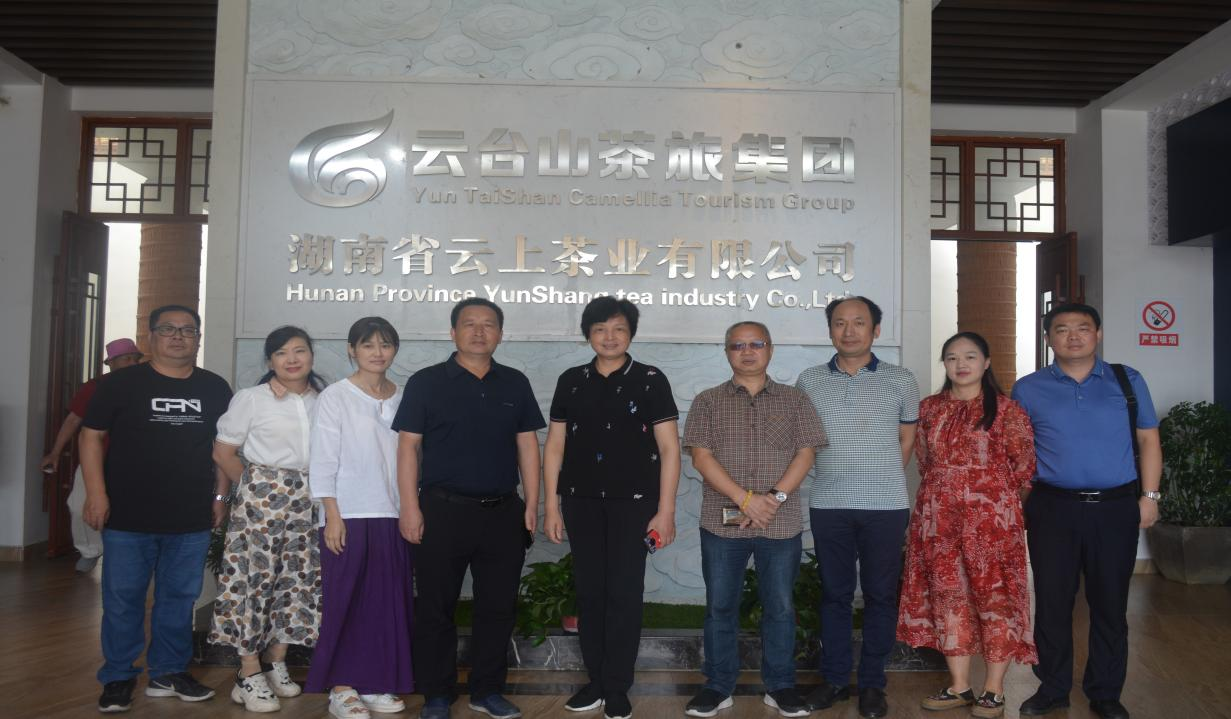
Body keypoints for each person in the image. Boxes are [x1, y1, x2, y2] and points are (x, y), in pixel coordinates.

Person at [393, 298, 545, 719]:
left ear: (500, 333)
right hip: (441, 511)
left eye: (488, 324)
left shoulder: (514, 383)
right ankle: (437, 694)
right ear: (453, 332)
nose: (479, 332)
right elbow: (408, 448)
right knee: (435, 607)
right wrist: (409, 507)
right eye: (469, 324)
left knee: (498, 607)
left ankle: (487, 690)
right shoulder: (426, 382)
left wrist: (533, 504)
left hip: (503, 512)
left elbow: (527, 446)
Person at [1011, 303, 1162, 719]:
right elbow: (1018, 454)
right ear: (1048, 339)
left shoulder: (1127, 380)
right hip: (1052, 508)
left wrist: (1150, 497)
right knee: (1053, 602)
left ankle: (1105, 692)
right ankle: (1053, 688)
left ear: (1098, 333)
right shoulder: (1028, 388)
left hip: (1114, 508)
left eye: (1083, 327)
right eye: (1062, 329)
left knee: (1110, 603)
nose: (1073, 336)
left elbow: (1148, 439)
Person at [79, 305, 233, 713]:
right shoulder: (121, 384)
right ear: (150, 337)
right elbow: (90, 437)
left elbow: (224, 447)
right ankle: (118, 676)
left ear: (198, 339)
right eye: (168, 329)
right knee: (123, 599)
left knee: (179, 598)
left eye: (188, 330)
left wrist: (220, 496)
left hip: (190, 516)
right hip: (127, 516)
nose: (178, 336)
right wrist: (95, 494)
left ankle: (168, 672)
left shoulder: (215, 388)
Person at [541, 297, 681, 719]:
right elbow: (555, 446)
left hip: (635, 504)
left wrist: (666, 511)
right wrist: (552, 506)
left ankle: (617, 686)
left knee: (624, 592)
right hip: (580, 502)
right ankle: (596, 682)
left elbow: (670, 449)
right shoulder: (571, 380)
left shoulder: (651, 379)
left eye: (619, 328)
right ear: (588, 334)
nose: (609, 336)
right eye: (600, 329)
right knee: (590, 592)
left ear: (631, 334)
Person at [682, 321, 827, 719]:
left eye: (756, 344)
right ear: (726, 352)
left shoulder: (795, 400)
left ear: (770, 349)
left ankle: (780, 687)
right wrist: (745, 500)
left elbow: (806, 453)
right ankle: (718, 687)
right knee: (719, 607)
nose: (747, 351)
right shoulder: (707, 401)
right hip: (721, 523)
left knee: (780, 608)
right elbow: (701, 457)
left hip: (779, 522)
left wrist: (772, 500)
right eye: (737, 345)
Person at [896, 332, 1037, 719]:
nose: (961, 364)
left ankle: (994, 689)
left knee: (996, 599)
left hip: (992, 523)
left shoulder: (1008, 410)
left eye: (970, 356)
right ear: (944, 364)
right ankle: (959, 685)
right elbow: (924, 461)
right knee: (949, 597)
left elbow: (1025, 467)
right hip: (939, 520)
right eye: (952, 357)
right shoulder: (929, 409)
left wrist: (997, 506)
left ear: (986, 363)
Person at [795, 296, 919, 719]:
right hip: (829, 503)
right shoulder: (810, 380)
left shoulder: (901, 379)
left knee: (881, 595)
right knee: (835, 593)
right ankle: (833, 680)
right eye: (839, 323)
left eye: (859, 322)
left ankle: (871, 685)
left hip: (886, 505)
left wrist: (881, 475)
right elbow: (804, 442)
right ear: (830, 329)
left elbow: (906, 440)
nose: (849, 331)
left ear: (876, 330)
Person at [209, 326, 327, 712]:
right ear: (270, 361)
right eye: (281, 353)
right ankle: (248, 671)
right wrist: (256, 487)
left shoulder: (324, 400)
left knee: (297, 580)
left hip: (308, 501)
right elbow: (223, 452)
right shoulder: (252, 399)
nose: (291, 359)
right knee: (253, 581)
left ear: (311, 356)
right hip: (261, 502)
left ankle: (276, 660)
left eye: (299, 350)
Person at [305, 317, 413, 719]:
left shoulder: (402, 396)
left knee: (384, 602)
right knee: (345, 600)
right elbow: (322, 457)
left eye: (385, 344)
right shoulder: (336, 396)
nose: (377, 352)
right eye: (368, 345)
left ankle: (374, 682)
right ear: (352, 350)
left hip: (392, 512)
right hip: (348, 512)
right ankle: (342, 687)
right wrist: (332, 513)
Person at [41, 337, 143, 573]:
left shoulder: (146, 386)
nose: (132, 363)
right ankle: (90, 550)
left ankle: (135, 556)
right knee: (79, 505)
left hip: (136, 462)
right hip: (95, 459)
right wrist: (55, 452)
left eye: (135, 359)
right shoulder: (94, 387)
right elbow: (73, 420)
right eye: (126, 359)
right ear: (111, 363)